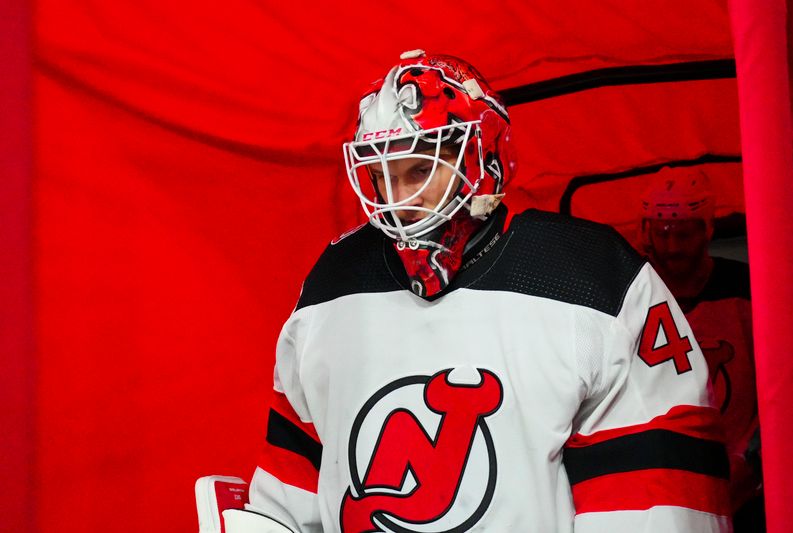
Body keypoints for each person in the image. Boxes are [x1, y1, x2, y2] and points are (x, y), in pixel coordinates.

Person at [227, 51, 731, 532]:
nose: (401, 199)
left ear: (481, 155)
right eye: (383, 174)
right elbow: (292, 489)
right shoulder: (333, 284)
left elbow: (656, 498)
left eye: (421, 168)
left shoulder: (592, 276)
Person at [640, 168, 763, 531]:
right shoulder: (634, 294)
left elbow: (784, 386)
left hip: (749, 483)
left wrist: (754, 461)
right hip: (667, 485)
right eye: (662, 233)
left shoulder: (748, 288)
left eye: (684, 234)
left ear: (707, 229)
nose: (672, 246)